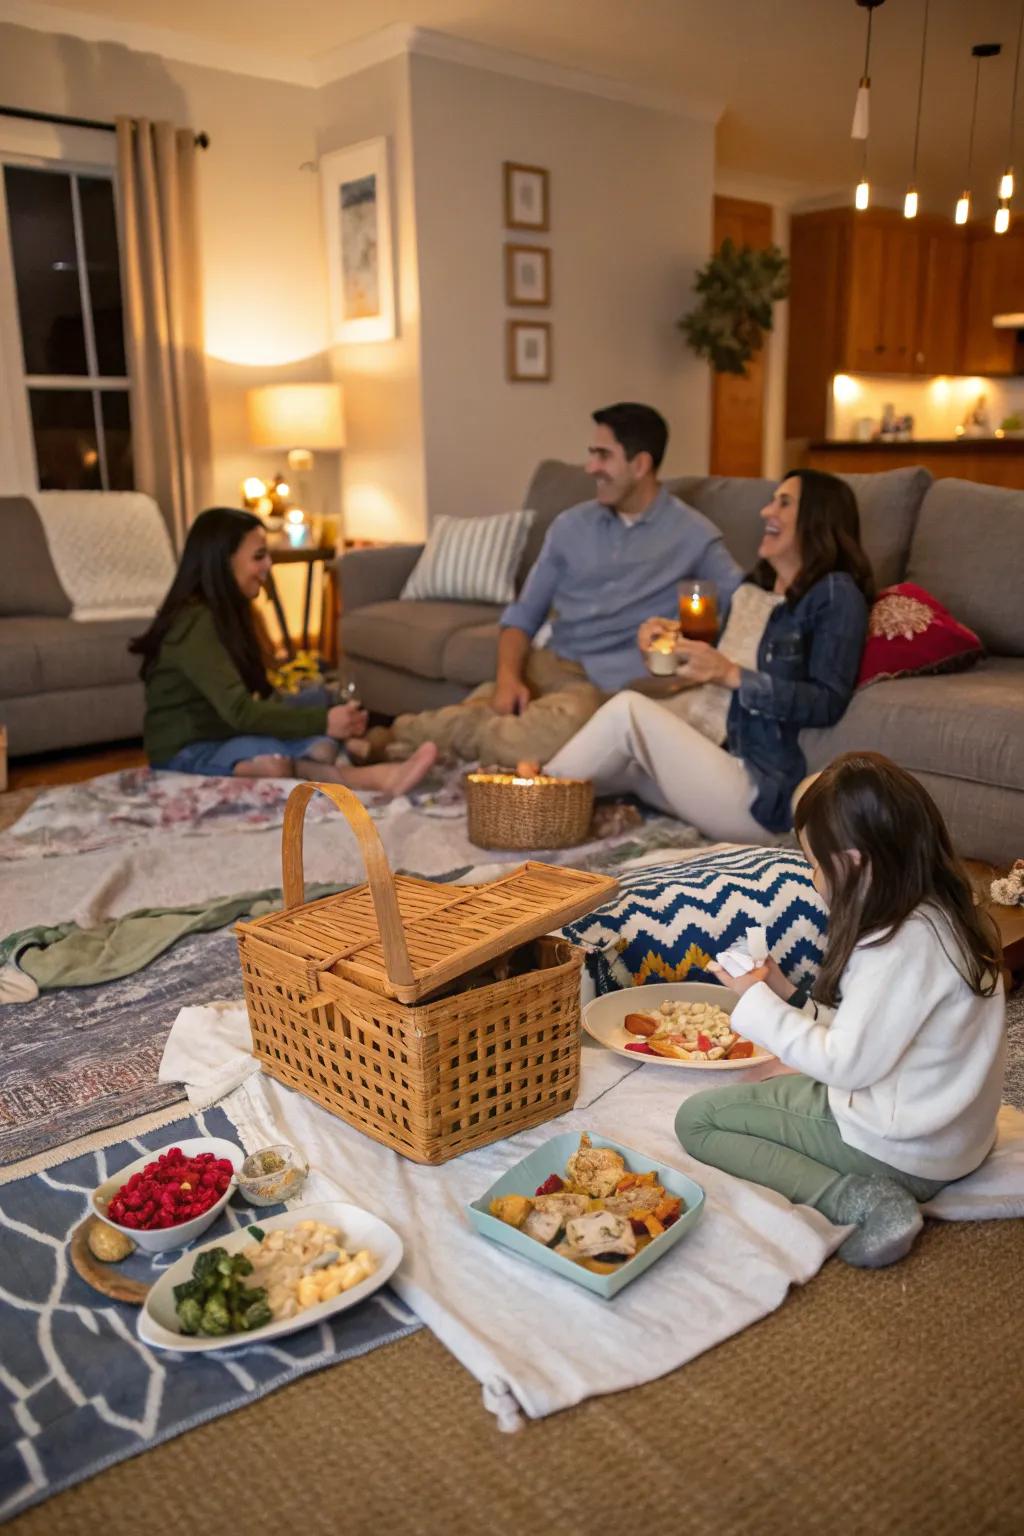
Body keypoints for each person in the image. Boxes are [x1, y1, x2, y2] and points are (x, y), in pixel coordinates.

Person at [675, 752, 1006, 1269]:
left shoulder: (892, 947)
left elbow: (845, 1065)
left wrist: (752, 998)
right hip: (957, 1142)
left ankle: (857, 1199)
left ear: (851, 863)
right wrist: (784, 992)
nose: (812, 877)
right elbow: (875, 1032)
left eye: (812, 863)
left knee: (698, 1119)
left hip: (900, 1151)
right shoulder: (952, 918)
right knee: (768, 1085)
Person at [354, 403, 743, 768]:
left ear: (640, 464)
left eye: (603, 456)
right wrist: (508, 680)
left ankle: (404, 737)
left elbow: (746, 600)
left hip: (610, 685)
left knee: (564, 728)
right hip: (551, 664)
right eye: (591, 454)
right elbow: (523, 616)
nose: (590, 467)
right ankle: (422, 737)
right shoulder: (570, 526)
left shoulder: (693, 535)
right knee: (510, 709)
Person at [544, 468, 873, 843]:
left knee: (627, 711)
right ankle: (541, 799)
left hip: (756, 786)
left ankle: (530, 799)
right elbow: (713, 665)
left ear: (818, 517)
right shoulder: (754, 590)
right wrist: (667, 646)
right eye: (771, 501)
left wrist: (733, 675)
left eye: (784, 503)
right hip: (710, 753)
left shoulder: (835, 594)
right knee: (620, 760)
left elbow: (827, 700)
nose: (766, 512)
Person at [130, 508, 437, 795]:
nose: (268, 565)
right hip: (187, 750)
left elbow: (264, 698)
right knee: (280, 760)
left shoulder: (233, 612)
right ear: (223, 562)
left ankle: (347, 751)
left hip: (223, 733)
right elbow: (241, 713)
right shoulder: (195, 622)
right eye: (258, 556)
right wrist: (322, 723)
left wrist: (319, 717)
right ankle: (370, 773)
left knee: (318, 699)